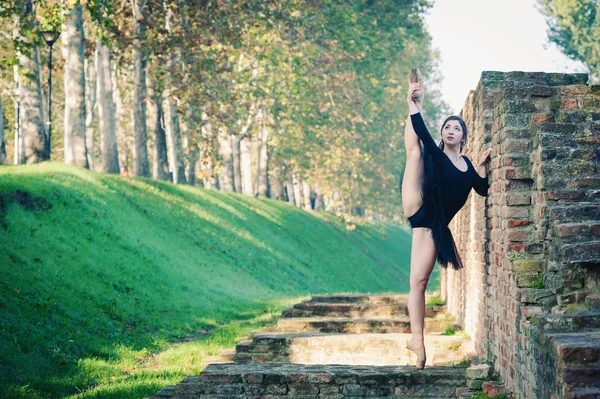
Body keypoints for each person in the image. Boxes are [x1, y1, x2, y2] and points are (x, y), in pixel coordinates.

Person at [401, 75, 492, 369]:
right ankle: (417, 337)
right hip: (419, 207)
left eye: (457, 127)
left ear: (464, 136)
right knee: (415, 152)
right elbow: (423, 133)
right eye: (447, 127)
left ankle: (417, 341)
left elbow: (481, 188)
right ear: (443, 134)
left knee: (420, 281)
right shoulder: (439, 156)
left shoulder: (466, 166)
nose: (451, 130)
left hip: (437, 223)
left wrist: (480, 167)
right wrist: (414, 105)